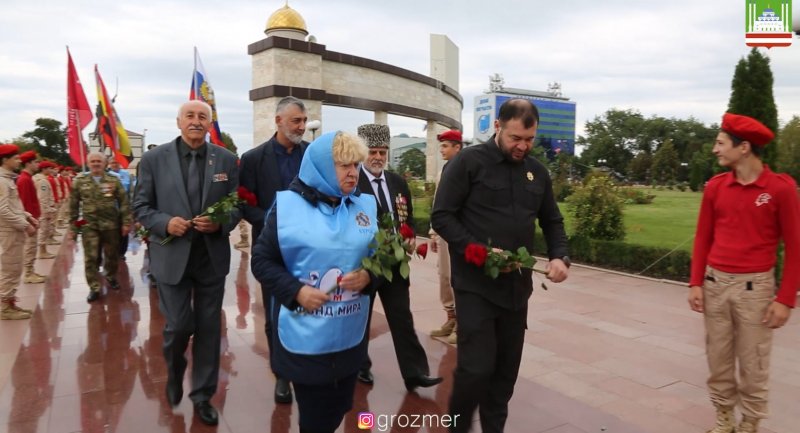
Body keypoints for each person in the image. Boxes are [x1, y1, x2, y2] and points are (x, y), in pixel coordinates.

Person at [431, 99, 569, 433]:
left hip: (515, 290)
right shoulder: (468, 163)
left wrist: (558, 256)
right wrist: (474, 249)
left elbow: (552, 221)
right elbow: (442, 216)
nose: (522, 146)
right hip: (475, 286)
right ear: (498, 126)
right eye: (515, 138)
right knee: (475, 369)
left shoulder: (537, 172)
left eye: (529, 139)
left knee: (504, 375)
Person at [251, 131, 376, 433]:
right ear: (320, 166)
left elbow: (383, 259)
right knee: (315, 418)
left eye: (356, 165)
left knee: (341, 407)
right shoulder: (288, 208)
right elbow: (261, 261)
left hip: (349, 336)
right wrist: (296, 291)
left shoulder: (365, 207)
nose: (353, 173)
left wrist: (369, 277)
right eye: (344, 165)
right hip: (306, 339)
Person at [688, 113, 799, 433]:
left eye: (720, 143)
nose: (715, 149)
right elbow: (702, 238)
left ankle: (750, 424)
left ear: (744, 147)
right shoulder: (716, 187)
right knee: (718, 360)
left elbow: (795, 247)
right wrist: (696, 282)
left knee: (754, 363)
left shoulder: (781, 189)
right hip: (715, 284)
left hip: (757, 291)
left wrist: (785, 299)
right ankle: (724, 421)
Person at [133, 100, 241, 426]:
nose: (196, 121)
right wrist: (165, 223)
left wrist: (220, 223)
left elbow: (238, 204)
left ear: (210, 123)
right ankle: (175, 370)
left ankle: (203, 395)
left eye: (202, 117)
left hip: (210, 257)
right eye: (190, 116)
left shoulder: (225, 160)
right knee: (179, 325)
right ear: (179, 121)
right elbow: (140, 205)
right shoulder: (154, 159)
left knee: (209, 328)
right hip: (171, 255)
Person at [355, 123, 443, 391]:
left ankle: (415, 372)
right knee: (361, 318)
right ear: (362, 152)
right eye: (373, 151)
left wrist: (411, 236)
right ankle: (360, 365)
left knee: (402, 316)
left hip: (395, 263)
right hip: (365, 264)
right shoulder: (352, 183)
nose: (378, 157)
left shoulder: (397, 182)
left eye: (382, 151)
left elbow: (407, 218)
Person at [239, 95, 308, 404]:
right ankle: (281, 373)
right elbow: (244, 202)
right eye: (296, 121)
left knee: (311, 303)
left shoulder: (311, 155)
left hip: (309, 246)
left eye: (304, 121)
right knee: (274, 311)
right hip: (271, 248)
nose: (302, 127)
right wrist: (271, 221)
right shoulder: (253, 159)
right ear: (278, 120)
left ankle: (310, 360)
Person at [69, 152, 131, 303]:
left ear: (105, 164)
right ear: (88, 163)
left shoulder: (113, 180)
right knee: (91, 257)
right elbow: (73, 205)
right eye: (93, 161)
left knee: (112, 255)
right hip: (88, 225)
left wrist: (126, 222)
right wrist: (73, 227)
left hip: (111, 225)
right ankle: (94, 287)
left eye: (99, 161)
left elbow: (123, 202)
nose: (96, 164)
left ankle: (110, 276)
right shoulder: (79, 180)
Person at [428, 129, 463, 344]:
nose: (442, 149)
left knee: (456, 277)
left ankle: (462, 323)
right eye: (441, 145)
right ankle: (450, 318)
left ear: (457, 147)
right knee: (444, 276)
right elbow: (437, 204)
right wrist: (433, 232)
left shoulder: (465, 169)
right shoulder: (445, 170)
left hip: (457, 232)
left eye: (445, 146)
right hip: (443, 231)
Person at [0, 144, 38, 320]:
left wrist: (27, 216)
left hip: (14, 229)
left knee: (15, 266)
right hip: (9, 231)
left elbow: (14, 207)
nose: (18, 160)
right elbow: (3, 210)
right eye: (15, 158)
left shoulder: (8, 179)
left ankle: (9, 303)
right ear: (5, 160)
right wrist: (25, 224)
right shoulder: (2, 181)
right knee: (10, 267)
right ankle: (5, 307)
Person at [16, 151, 46, 284]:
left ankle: (31, 270)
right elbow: (24, 203)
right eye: (35, 162)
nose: (37, 164)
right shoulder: (24, 179)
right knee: (30, 247)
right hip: (29, 218)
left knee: (32, 247)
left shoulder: (27, 178)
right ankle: (28, 273)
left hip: (32, 217)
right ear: (28, 163)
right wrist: (29, 220)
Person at [108, 158, 132, 259]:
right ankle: (112, 251)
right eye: (112, 163)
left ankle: (122, 252)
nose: (115, 164)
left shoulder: (126, 174)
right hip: (110, 208)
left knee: (124, 230)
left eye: (116, 162)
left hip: (123, 206)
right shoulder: (106, 175)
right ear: (109, 164)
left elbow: (130, 190)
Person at [34, 161, 58, 259]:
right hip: (44, 211)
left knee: (44, 230)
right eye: (50, 168)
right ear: (44, 169)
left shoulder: (40, 179)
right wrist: (47, 210)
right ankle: (42, 252)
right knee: (43, 230)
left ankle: (43, 251)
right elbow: (43, 198)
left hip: (43, 209)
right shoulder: (42, 181)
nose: (52, 170)